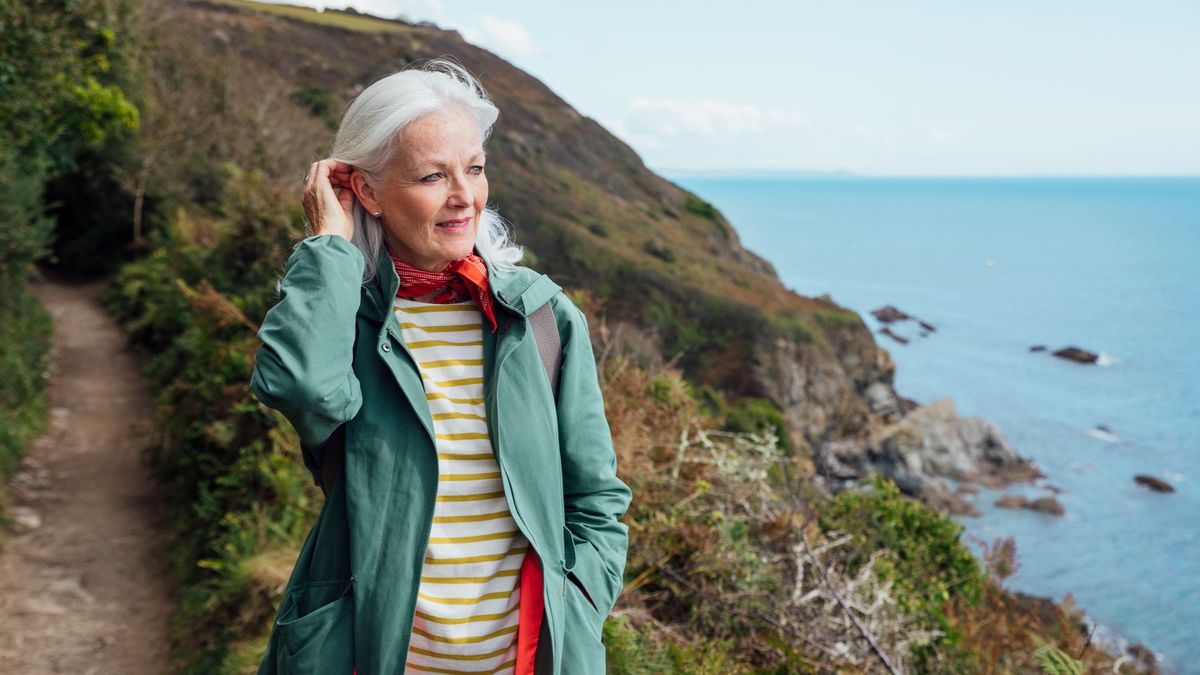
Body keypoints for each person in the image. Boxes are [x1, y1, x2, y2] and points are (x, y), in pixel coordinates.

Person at [249, 58, 632, 675]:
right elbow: (298, 386)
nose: (465, 197)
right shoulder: (346, 316)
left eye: (474, 169)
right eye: (433, 176)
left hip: (530, 659)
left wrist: (580, 601)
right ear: (367, 192)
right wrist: (328, 246)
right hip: (367, 657)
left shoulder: (539, 316)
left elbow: (595, 497)